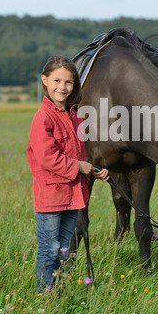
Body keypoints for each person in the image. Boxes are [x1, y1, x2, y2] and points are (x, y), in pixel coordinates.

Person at [26, 55, 108, 293]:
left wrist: (91, 169)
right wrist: (78, 167)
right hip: (51, 197)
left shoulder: (74, 115)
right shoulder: (43, 118)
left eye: (68, 82)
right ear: (45, 80)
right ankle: (44, 294)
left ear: (75, 85)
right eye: (57, 81)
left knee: (64, 249)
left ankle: (57, 290)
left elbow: (78, 154)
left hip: (73, 195)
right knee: (49, 249)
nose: (62, 87)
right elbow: (47, 157)